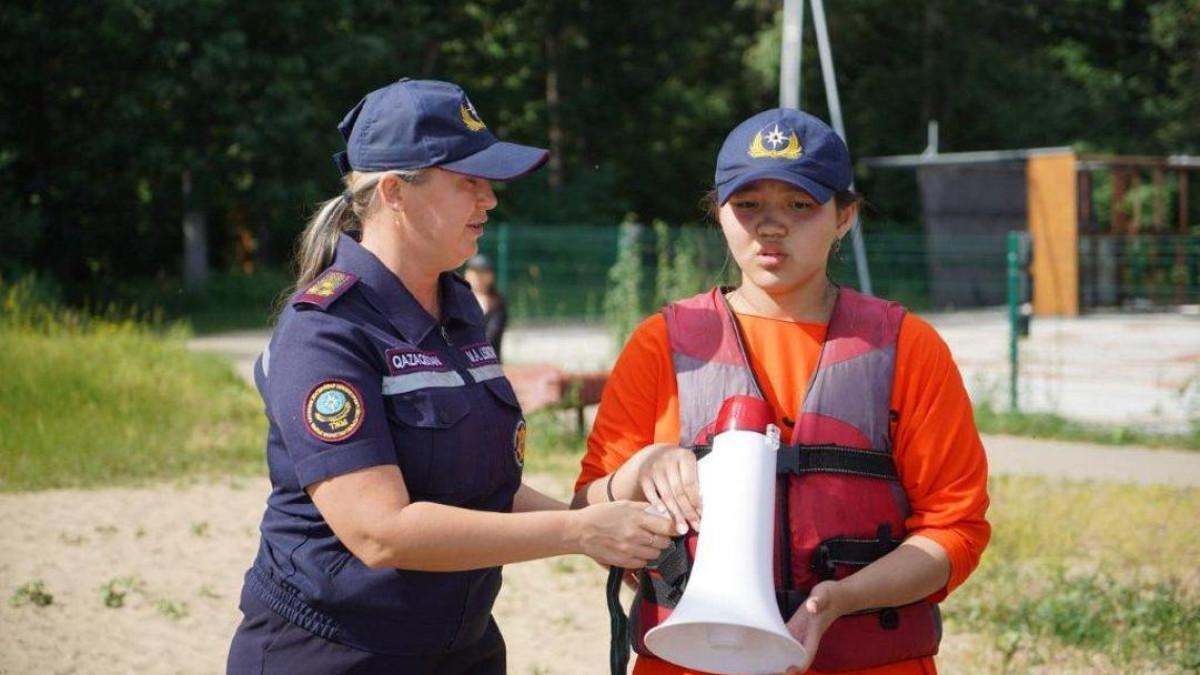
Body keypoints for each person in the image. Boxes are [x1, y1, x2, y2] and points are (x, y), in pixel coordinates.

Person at [226, 78, 674, 675]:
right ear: (394, 192)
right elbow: (379, 532)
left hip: (460, 647)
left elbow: (483, 488)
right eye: (468, 181)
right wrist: (579, 532)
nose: (488, 199)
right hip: (335, 652)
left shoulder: (460, 308)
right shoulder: (327, 331)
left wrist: (612, 521)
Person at [572, 109, 991, 675]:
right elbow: (587, 515)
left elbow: (955, 528)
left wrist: (837, 601)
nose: (771, 226)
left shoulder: (907, 347)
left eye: (800, 205)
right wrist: (635, 471)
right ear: (718, 213)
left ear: (845, 216)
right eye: (749, 205)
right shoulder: (660, 344)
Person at [463, 254, 508, 361]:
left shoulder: (497, 303)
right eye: (474, 272)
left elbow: (492, 336)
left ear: (491, 276)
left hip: (489, 362)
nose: (477, 277)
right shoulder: (457, 300)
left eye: (482, 272)